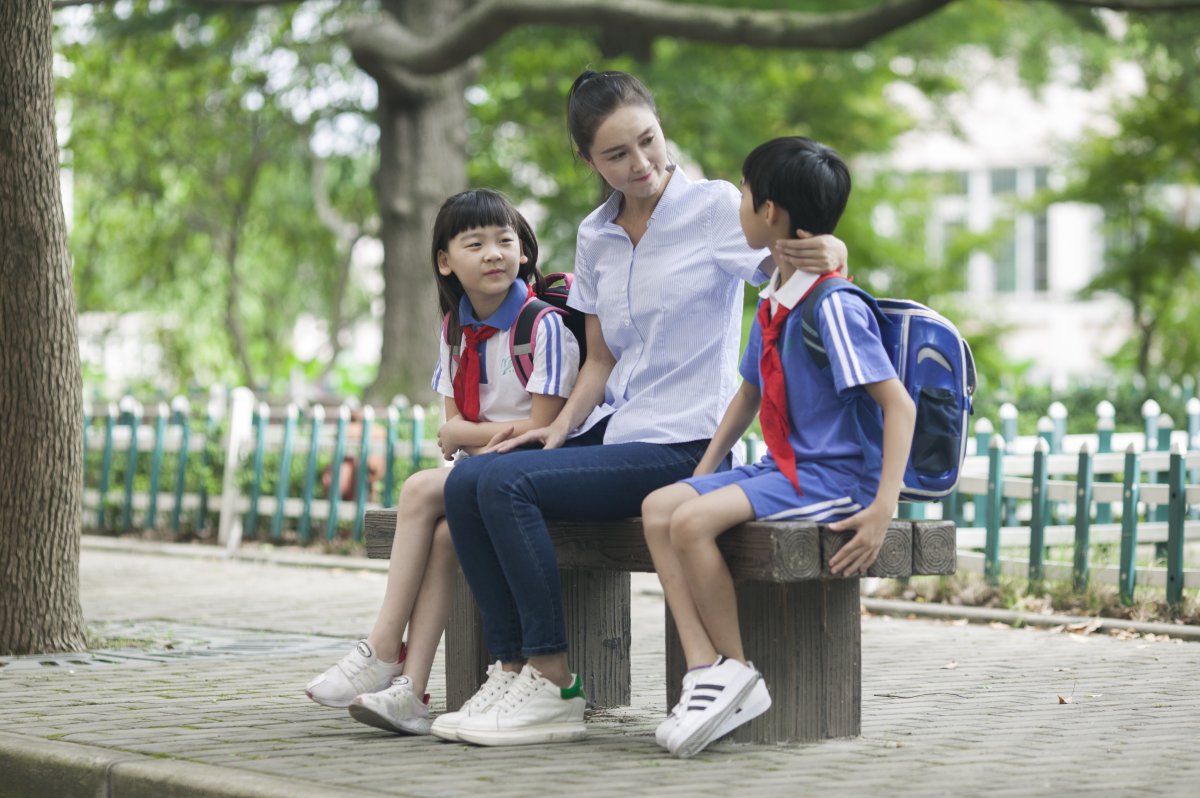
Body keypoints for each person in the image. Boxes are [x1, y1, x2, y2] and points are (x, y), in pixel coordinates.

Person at [433, 71, 848, 748]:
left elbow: (790, 256)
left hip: (687, 443)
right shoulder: (594, 234)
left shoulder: (716, 207)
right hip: (618, 432)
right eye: (617, 154)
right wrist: (551, 433)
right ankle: (510, 668)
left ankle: (551, 677)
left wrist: (833, 250)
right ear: (588, 161)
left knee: (503, 488)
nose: (642, 164)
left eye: (648, 141)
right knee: (471, 480)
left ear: (659, 126)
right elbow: (598, 361)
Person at [641, 136, 917, 758]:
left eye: (742, 192)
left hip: (830, 480)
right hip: (783, 469)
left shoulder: (834, 306)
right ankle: (705, 669)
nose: (736, 203)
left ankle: (737, 673)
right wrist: (701, 472)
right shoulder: (775, 299)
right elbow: (746, 395)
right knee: (661, 508)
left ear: (770, 212)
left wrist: (881, 508)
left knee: (689, 526)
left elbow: (898, 405)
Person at [304, 189, 580, 736]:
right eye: (475, 243)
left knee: (416, 491)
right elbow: (448, 432)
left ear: (524, 252)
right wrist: (483, 435)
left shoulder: (540, 326)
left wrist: (471, 437)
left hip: (538, 478)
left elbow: (543, 432)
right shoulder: (454, 330)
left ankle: (382, 647)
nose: (494, 253)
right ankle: (410, 689)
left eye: (505, 241)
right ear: (445, 261)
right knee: (442, 537)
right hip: (483, 477)